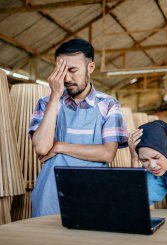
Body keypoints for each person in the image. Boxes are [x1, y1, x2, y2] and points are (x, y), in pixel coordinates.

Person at [29, 39, 128, 217]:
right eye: (61, 71)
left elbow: (107, 153)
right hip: (51, 195)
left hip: (95, 193)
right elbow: (43, 147)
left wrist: (60, 146)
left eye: (73, 70)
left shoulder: (109, 104)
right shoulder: (46, 103)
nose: (66, 78)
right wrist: (55, 96)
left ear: (90, 67)